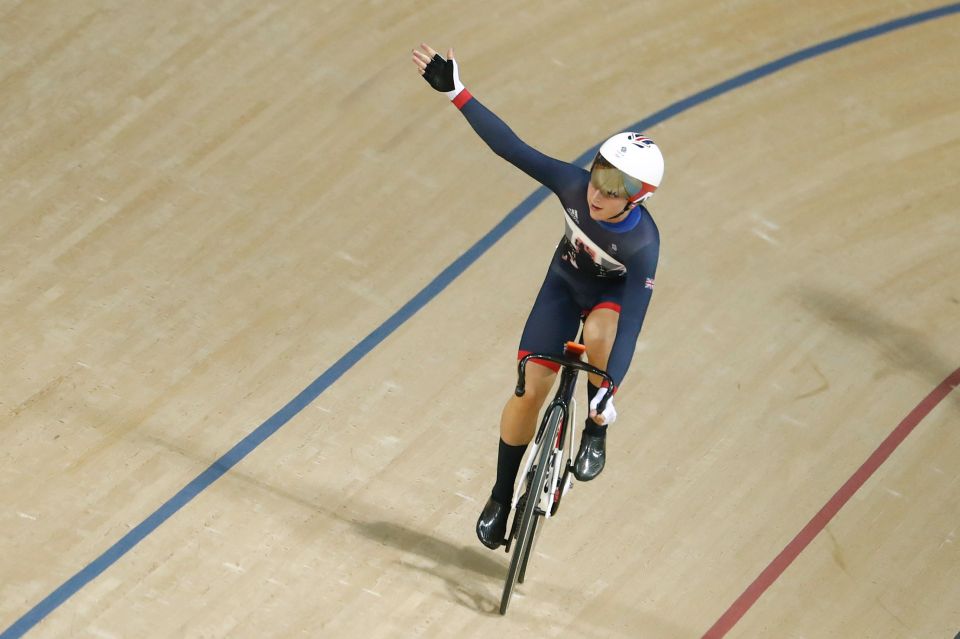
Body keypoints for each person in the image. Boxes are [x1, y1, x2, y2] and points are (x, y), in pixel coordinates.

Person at [411, 44, 663, 550]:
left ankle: (595, 426)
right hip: (564, 284)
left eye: (615, 190)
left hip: (608, 301)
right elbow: (511, 147)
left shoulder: (642, 246)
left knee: (600, 336)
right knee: (531, 389)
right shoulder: (573, 185)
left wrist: (608, 388)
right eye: (599, 174)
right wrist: (458, 92)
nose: (598, 193)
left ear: (638, 198)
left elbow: (631, 323)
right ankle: (502, 495)